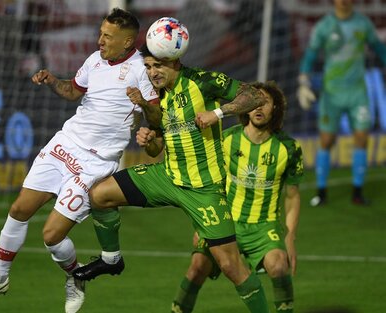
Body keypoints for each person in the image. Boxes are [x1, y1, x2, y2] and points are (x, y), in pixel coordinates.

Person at [0, 8, 160, 313]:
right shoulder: (94, 60)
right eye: (100, 32)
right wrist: (53, 80)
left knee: (52, 236)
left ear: (128, 41)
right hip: (65, 143)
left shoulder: (141, 71)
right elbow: (72, 92)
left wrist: (144, 104)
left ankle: (75, 278)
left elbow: (157, 117)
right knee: (19, 208)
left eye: (108, 36)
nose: (100, 39)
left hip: (95, 162)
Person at [73, 42, 271, 312]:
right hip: (166, 176)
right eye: (148, 67)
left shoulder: (202, 81)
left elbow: (255, 96)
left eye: (159, 66)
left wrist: (218, 113)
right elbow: (157, 149)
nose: (153, 72)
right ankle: (111, 259)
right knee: (99, 194)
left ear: (175, 62)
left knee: (231, 266)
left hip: (204, 188)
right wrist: (149, 140)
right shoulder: (154, 96)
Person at [171, 81, 303, 313]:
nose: (259, 108)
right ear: (245, 107)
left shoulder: (288, 148)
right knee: (197, 266)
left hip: (264, 227)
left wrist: (290, 237)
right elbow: (209, 183)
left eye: (266, 102)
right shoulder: (227, 139)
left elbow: (292, 196)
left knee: (279, 265)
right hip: (225, 222)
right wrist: (202, 223)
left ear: (276, 108)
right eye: (255, 102)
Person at [297, 0, 386, 207]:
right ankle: (321, 192)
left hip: (358, 93)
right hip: (332, 95)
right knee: (326, 141)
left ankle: (357, 192)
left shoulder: (363, 24)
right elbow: (310, 55)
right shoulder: (324, 26)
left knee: (362, 139)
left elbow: (379, 49)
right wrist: (303, 81)